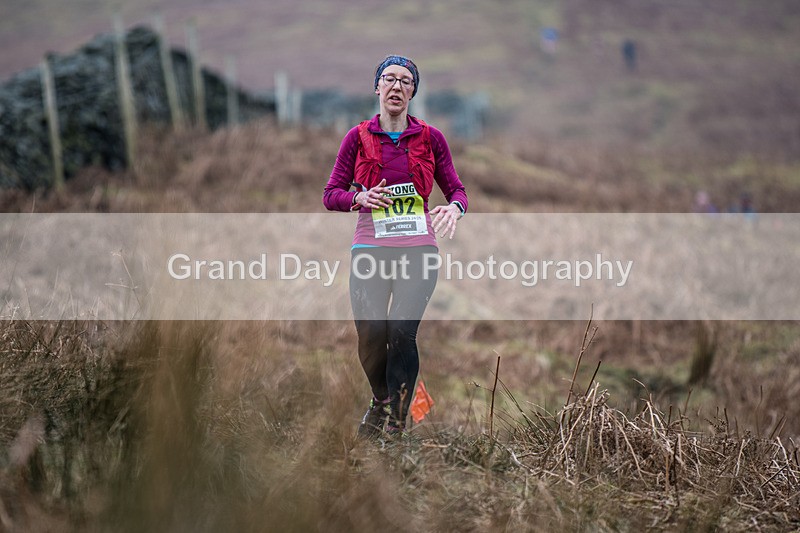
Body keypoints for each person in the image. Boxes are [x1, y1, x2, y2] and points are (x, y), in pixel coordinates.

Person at [323, 55, 468, 438]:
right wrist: (359, 199)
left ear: (413, 92)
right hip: (370, 248)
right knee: (370, 335)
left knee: (402, 333)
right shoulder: (356, 138)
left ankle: (395, 427)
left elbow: (457, 189)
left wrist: (454, 208)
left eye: (406, 81)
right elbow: (331, 194)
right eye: (389, 79)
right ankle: (384, 402)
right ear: (377, 87)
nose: (397, 86)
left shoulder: (431, 138)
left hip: (418, 249)